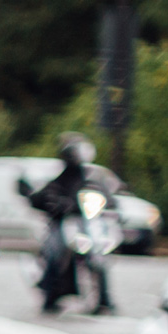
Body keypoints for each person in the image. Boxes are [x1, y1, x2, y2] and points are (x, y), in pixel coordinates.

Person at [29, 134, 112, 314]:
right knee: (55, 250)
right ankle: (50, 295)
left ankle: (104, 299)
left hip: (87, 224)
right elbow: (40, 197)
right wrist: (50, 201)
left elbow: (107, 198)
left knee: (100, 254)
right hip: (64, 224)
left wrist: (110, 203)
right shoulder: (60, 179)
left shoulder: (92, 179)